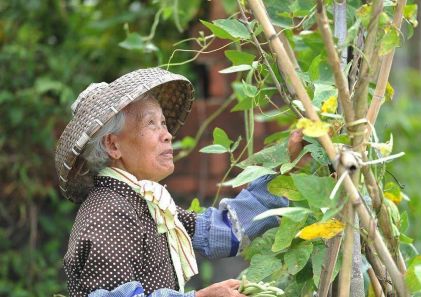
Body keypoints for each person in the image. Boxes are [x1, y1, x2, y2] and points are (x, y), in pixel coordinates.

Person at [55, 68, 304, 297]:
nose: (167, 135)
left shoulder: (147, 203)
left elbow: (219, 231)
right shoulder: (110, 213)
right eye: (150, 124)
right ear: (113, 145)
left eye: (163, 123)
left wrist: (285, 168)